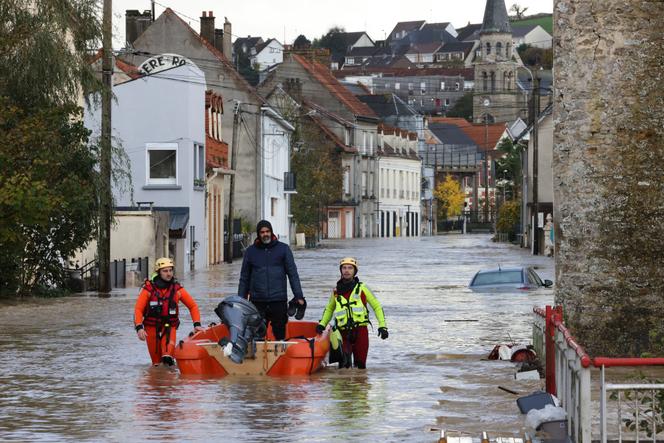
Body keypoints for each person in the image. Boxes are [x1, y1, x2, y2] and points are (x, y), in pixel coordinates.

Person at [237, 220, 305, 340]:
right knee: (256, 337)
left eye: (267, 231)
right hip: (257, 302)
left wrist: (299, 296)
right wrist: (240, 302)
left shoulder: (283, 249)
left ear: (272, 232)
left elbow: (293, 274)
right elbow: (244, 279)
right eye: (262, 232)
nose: (265, 234)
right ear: (258, 234)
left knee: (280, 336)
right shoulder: (250, 252)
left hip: (278, 301)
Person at [316, 257, 388, 369]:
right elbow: (329, 309)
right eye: (344, 268)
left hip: (360, 331)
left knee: (360, 368)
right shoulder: (335, 291)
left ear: (355, 271)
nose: (347, 270)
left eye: (350, 268)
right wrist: (322, 324)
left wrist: (382, 326)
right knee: (344, 367)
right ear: (341, 271)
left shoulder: (362, 288)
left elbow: (377, 306)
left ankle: (359, 385)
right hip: (342, 334)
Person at [134, 257, 204, 366]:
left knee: (167, 359)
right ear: (158, 272)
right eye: (165, 271)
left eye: (170, 270)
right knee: (156, 365)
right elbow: (138, 309)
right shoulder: (148, 289)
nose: (169, 274)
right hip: (151, 328)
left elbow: (193, 306)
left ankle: (172, 380)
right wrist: (139, 328)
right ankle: (158, 381)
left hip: (169, 326)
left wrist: (197, 324)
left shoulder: (177, 289)